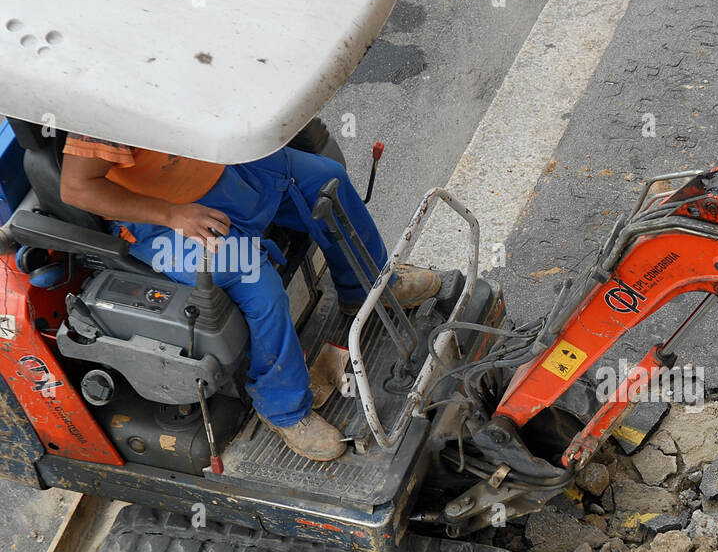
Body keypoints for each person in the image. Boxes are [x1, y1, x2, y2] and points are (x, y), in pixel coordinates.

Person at [58, 135, 438, 461]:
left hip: (224, 170)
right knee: (259, 282)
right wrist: (172, 214)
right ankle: (284, 408)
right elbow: (76, 188)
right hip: (162, 220)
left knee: (325, 179)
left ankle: (367, 288)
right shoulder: (104, 99)